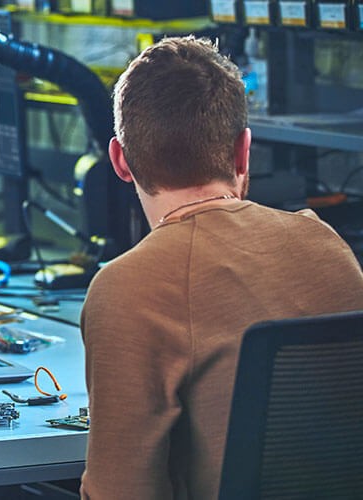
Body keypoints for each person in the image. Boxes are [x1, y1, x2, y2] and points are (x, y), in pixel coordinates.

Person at [80, 36, 363, 500]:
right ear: (243, 152)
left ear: (119, 161)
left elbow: (121, 490)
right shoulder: (325, 243)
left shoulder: (127, 287)